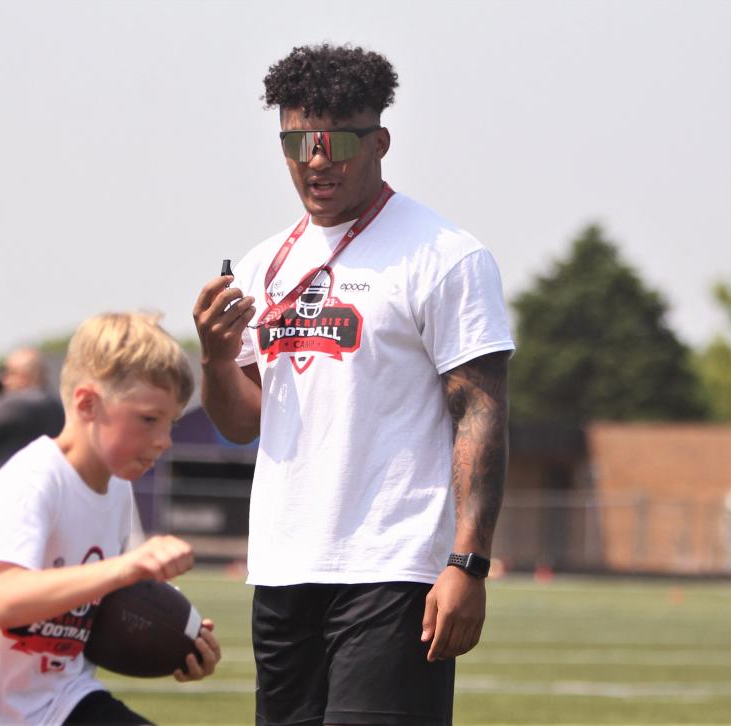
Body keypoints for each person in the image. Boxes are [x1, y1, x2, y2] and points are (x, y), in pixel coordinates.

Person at [193, 44, 514, 725]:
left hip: (394, 569)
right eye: (297, 141)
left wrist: (468, 562)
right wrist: (216, 360)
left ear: (379, 142)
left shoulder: (446, 256)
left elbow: (481, 413)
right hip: (284, 569)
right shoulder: (260, 263)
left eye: (336, 140)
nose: (316, 159)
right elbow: (243, 421)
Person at [0, 312, 221, 725]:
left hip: (60, 700)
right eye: (149, 419)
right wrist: (124, 568)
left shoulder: (116, 488)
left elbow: (105, 606)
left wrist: (177, 638)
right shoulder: (34, 481)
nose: (164, 440)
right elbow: (4, 600)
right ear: (86, 404)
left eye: (170, 423)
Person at [0, 346, 66, 508]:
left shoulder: (18, 403)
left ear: (23, 376)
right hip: (35, 494)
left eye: (7, 372)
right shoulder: (54, 404)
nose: (2, 378)